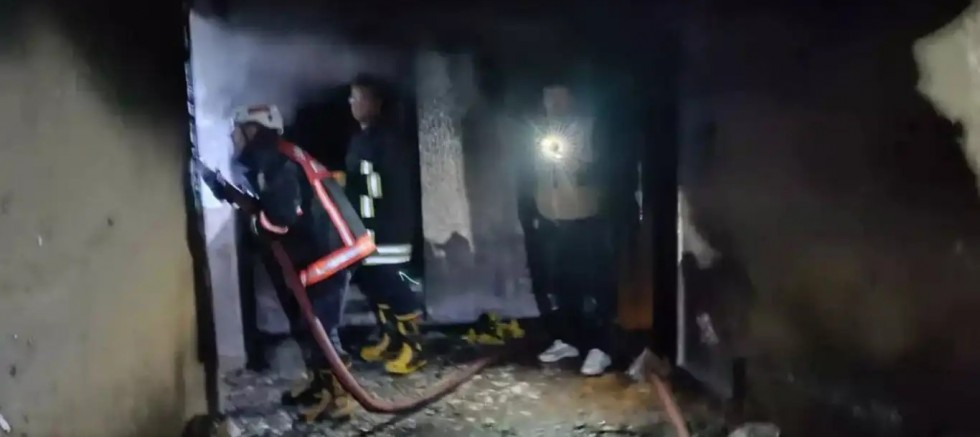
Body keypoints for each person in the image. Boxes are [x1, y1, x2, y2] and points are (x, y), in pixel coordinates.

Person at [218, 104, 376, 423]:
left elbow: (281, 217)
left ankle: (339, 396)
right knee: (307, 323)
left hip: (333, 250)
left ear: (253, 130)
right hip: (327, 248)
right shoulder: (275, 156)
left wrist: (258, 225)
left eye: (239, 130)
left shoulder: (277, 161)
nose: (234, 136)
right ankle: (321, 385)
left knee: (320, 328)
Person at [529, 83, 616, 376]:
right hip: (553, 218)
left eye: (558, 96)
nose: (552, 103)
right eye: (547, 97)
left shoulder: (590, 127)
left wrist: (575, 162)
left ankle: (601, 348)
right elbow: (533, 173)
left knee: (595, 283)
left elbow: (604, 170)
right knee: (561, 284)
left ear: (571, 98)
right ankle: (569, 340)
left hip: (586, 218)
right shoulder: (540, 131)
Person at [343, 74, 427, 375]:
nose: (353, 103)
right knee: (374, 283)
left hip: (389, 228)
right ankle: (390, 338)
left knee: (395, 285)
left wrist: (351, 184)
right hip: (367, 228)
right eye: (351, 98)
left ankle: (413, 348)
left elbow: (385, 186)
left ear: (376, 103)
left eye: (358, 97)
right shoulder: (362, 138)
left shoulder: (389, 140)